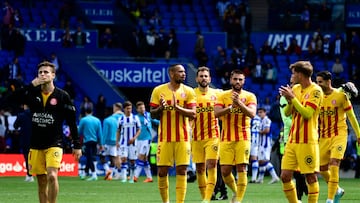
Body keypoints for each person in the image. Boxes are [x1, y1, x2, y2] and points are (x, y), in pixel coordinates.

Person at [12, 61, 82, 203]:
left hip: (54, 143)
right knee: (42, 182)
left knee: (52, 176)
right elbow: (11, 99)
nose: (43, 75)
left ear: (53, 75)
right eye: (40, 72)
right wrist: (31, 84)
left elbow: (71, 121)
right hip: (36, 144)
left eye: (46, 72)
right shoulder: (32, 93)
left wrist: (77, 144)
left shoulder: (63, 96)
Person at [149, 64, 196, 203]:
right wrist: (161, 109)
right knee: (162, 172)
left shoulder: (188, 91)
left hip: (183, 138)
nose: (183, 74)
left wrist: (177, 107)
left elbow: (193, 113)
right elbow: (152, 114)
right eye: (180, 72)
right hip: (165, 138)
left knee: (182, 171)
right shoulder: (158, 90)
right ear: (171, 73)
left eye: (184, 72)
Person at [279, 61, 323, 203]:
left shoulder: (316, 91)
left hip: (308, 140)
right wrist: (289, 100)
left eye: (294, 73)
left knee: (310, 176)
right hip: (292, 140)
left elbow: (307, 114)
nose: (292, 76)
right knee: (285, 176)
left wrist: (292, 98)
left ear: (300, 74)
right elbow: (287, 113)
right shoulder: (296, 88)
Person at [316, 71, 360, 203]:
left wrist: (358, 134)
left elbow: (352, 117)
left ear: (328, 81)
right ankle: (338, 190)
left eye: (320, 82)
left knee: (334, 163)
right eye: (317, 82)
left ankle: (330, 199)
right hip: (324, 136)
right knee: (322, 169)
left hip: (339, 135)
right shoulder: (318, 97)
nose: (318, 84)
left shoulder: (341, 96)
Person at [214, 69, 257, 203]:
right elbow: (216, 113)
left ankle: (238, 200)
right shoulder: (222, 96)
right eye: (235, 79)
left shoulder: (250, 96)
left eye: (240, 79)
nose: (237, 82)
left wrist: (239, 103)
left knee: (242, 168)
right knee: (225, 171)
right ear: (230, 80)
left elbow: (252, 114)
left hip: (243, 138)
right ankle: (236, 192)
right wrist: (230, 108)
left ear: (244, 81)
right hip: (226, 138)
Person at [191, 67, 220, 202]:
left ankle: (207, 198)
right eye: (201, 76)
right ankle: (205, 196)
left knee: (212, 165)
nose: (203, 78)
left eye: (206, 76)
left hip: (213, 136)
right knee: (200, 168)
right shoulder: (191, 94)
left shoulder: (218, 94)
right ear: (197, 79)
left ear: (210, 79)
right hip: (196, 137)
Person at [279, 76, 308, 202]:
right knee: (293, 171)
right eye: (292, 84)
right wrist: (303, 119)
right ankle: (300, 195)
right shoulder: (284, 99)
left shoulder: (305, 95)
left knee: (303, 169)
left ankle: (303, 192)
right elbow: (286, 120)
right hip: (289, 137)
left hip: (305, 137)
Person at [116, 101, 141, 183]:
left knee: (132, 161)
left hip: (133, 143)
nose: (129, 110)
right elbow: (118, 131)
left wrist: (134, 138)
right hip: (123, 142)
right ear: (124, 109)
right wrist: (117, 142)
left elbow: (139, 129)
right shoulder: (121, 119)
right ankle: (124, 177)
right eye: (127, 108)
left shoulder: (135, 118)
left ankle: (131, 177)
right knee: (123, 159)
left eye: (130, 108)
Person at [133, 101, 158, 183]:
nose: (142, 109)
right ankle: (149, 177)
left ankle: (135, 177)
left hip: (147, 139)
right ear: (137, 109)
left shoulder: (148, 115)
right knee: (144, 159)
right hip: (138, 140)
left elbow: (157, 122)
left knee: (141, 156)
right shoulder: (135, 118)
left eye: (143, 107)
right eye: (140, 108)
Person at [254, 107, 280, 184]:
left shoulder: (267, 120)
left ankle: (275, 176)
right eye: (258, 112)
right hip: (261, 143)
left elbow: (267, 130)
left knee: (264, 160)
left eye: (261, 112)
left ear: (265, 113)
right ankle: (260, 178)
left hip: (265, 143)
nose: (259, 114)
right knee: (260, 161)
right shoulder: (261, 121)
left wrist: (258, 132)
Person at [78, 106, 103, 181]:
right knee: (91, 157)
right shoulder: (97, 120)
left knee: (89, 158)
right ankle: (85, 172)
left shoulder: (83, 120)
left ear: (85, 112)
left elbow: (79, 132)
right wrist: (101, 144)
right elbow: (100, 133)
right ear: (92, 112)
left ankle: (94, 174)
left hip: (87, 141)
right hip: (95, 141)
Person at [101, 102, 123, 180]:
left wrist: (102, 144)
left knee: (103, 156)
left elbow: (104, 133)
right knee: (116, 157)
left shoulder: (108, 120)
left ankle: (109, 171)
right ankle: (118, 173)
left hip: (109, 141)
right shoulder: (124, 118)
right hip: (121, 141)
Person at [13, 104, 33, 182]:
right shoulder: (36, 115)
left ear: (25, 106)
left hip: (25, 140)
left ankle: (29, 175)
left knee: (27, 157)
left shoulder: (21, 115)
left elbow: (15, 126)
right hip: (37, 140)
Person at [249, 113, 261, 183]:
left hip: (249, 138)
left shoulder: (249, 116)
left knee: (245, 158)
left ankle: (238, 177)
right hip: (256, 140)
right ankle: (254, 177)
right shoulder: (259, 118)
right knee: (254, 158)